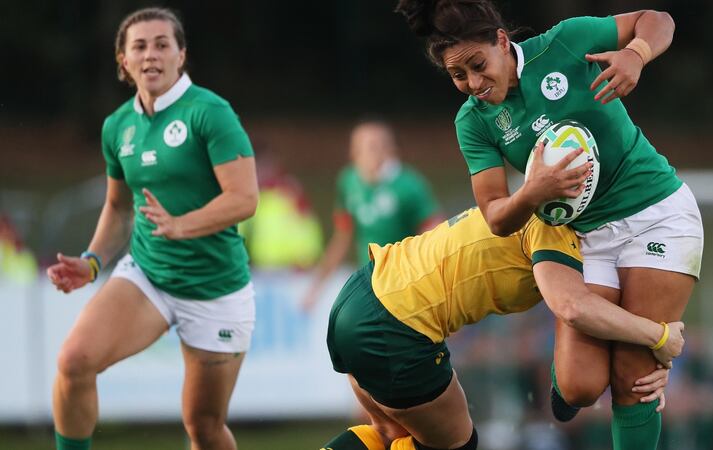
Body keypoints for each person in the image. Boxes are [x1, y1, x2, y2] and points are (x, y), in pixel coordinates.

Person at [394, 2, 704, 449]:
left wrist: (635, 54)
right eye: (458, 76)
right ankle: (574, 377)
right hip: (585, 237)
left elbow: (657, 20)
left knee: (633, 377)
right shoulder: (474, 121)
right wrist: (532, 192)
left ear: (502, 42)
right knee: (580, 386)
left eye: (478, 65)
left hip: (657, 215)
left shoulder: (565, 43)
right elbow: (496, 216)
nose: (474, 84)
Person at [45, 8, 258, 450]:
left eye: (162, 44)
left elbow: (244, 199)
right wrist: (92, 261)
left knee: (203, 427)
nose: (151, 55)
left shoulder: (211, 112)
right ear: (123, 61)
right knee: (74, 360)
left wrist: (182, 225)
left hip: (215, 289)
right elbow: (118, 207)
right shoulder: (117, 126)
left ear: (181, 55)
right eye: (139, 46)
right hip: (148, 276)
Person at [322, 207, 683, 450]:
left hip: (360, 293)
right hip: (397, 323)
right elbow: (574, 308)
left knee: (389, 434)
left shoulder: (514, 206)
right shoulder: (553, 227)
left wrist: (650, 354)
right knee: (455, 445)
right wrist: (659, 337)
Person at [301, 119, 444, 310]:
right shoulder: (349, 181)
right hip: (370, 283)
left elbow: (436, 235)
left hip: (406, 285)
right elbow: (342, 237)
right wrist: (316, 288)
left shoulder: (409, 185)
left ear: (391, 150)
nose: (367, 154)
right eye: (360, 148)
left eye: (375, 147)